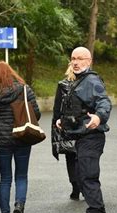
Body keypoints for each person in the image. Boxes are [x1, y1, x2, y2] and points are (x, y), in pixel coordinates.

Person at [56, 47, 112, 213]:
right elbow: (75, 108)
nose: (76, 62)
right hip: (81, 137)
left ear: (89, 61)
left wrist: (98, 116)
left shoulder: (92, 80)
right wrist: (62, 120)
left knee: (88, 179)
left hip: (92, 137)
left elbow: (104, 102)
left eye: (80, 58)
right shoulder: (78, 81)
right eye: (73, 58)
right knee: (84, 178)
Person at [0, 61, 40, 213]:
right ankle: (19, 205)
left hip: (2, 140)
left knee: (5, 178)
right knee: (21, 176)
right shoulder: (23, 88)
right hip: (22, 136)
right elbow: (35, 112)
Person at [51, 64, 80, 200]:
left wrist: (56, 122)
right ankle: (83, 185)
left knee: (70, 156)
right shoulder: (86, 83)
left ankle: (75, 186)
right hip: (82, 123)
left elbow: (57, 107)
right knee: (83, 156)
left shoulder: (62, 85)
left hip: (66, 124)